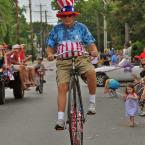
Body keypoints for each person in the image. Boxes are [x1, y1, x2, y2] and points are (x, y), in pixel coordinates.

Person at [47, 0, 98, 130]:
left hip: (80, 58)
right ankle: (60, 119)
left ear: (74, 16)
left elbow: (90, 43)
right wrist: (50, 54)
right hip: (63, 62)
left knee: (91, 72)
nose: (67, 18)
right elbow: (50, 46)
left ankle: (92, 103)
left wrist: (94, 50)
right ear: (61, 17)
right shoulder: (56, 29)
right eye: (64, 16)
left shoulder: (81, 27)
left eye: (70, 15)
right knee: (62, 87)